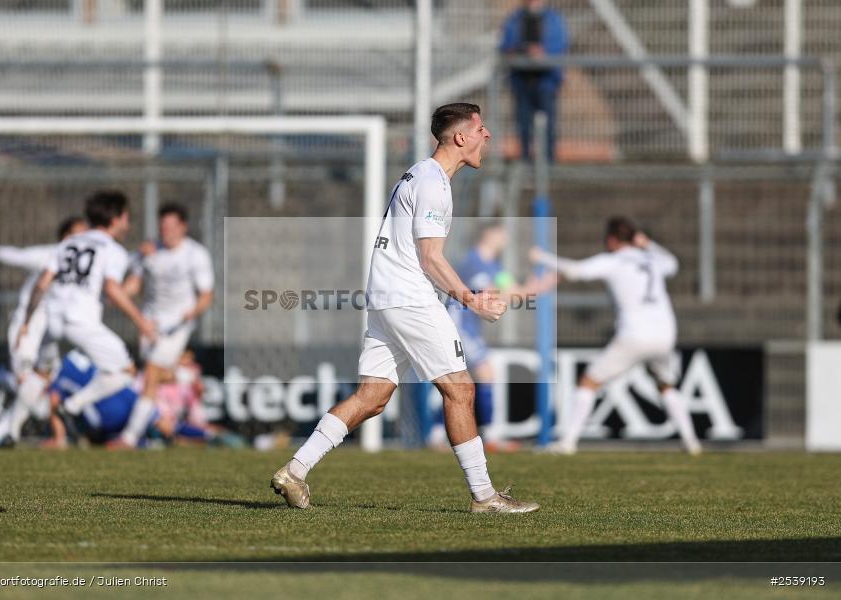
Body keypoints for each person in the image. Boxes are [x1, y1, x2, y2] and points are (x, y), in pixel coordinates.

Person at [270, 103, 539, 513]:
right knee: (460, 389)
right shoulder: (433, 182)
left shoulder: (422, 175)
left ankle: (295, 470)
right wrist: (471, 300)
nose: (487, 135)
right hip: (409, 297)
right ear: (460, 137)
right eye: (480, 129)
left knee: (373, 397)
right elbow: (430, 258)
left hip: (385, 296)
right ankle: (485, 497)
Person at [531, 216, 702, 455]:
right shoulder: (652, 258)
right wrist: (648, 244)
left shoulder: (613, 261)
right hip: (666, 334)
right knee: (666, 385)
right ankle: (691, 442)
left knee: (588, 382)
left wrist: (542, 257)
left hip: (635, 334)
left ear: (612, 239)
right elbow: (673, 264)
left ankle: (567, 443)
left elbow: (576, 271)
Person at [17, 190, 156, 437]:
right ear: (116, 219)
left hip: (52, 318)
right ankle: (72, 406)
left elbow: (42, 283)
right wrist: (141, 321)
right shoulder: (113, 249)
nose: (128, 224)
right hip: (80, 320)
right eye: (126, 218)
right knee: (125, 372)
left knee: (40, 374)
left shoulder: (68, 243)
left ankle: (7, 431)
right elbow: (112, 289)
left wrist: (27, 322)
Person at [429, 221, 553, 451]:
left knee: (461, 381)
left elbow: (513, 292)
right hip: (459, 325)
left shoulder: (494, 265)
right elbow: (491, 295)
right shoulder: (474, 262)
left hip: (470, 328)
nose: (505, 238)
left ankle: (437, 435)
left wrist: (535, 285)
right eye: (501, 233)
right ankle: (490, 436)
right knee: (484, 374)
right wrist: (528, 290)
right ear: (487, 233)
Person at [111, 203, 214, 449]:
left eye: (171, 227)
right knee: (151, 376)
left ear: (183, 227)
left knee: (151, 374)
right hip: (149, 324)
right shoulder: (149, 252)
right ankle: (184, 376)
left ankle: (129, 437)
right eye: (163, 227)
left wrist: (191, 312)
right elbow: (134, 284)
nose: (166, 232)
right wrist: (117, 296)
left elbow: (206, 295)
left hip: (177, 326)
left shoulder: (195, 254)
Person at [0, 216, 87, 447]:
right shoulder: (50, 254)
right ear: (66, 237)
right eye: (79, 233)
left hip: (51, 332)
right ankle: (6, 432)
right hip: (27, 325)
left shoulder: (86, 262)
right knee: (27, 381)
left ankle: (1, 433)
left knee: (39, 383)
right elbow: (21, 256)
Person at [500, 0, 569, 162]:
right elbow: (505, 46)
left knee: (549, 126)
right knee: (523, 125)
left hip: (546, 81)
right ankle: (525, 161)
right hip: (521, 80)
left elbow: (560, 46)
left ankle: (549, 163)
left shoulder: (554, 19)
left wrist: (543, 53)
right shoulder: (515, 18)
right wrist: (520, 50)